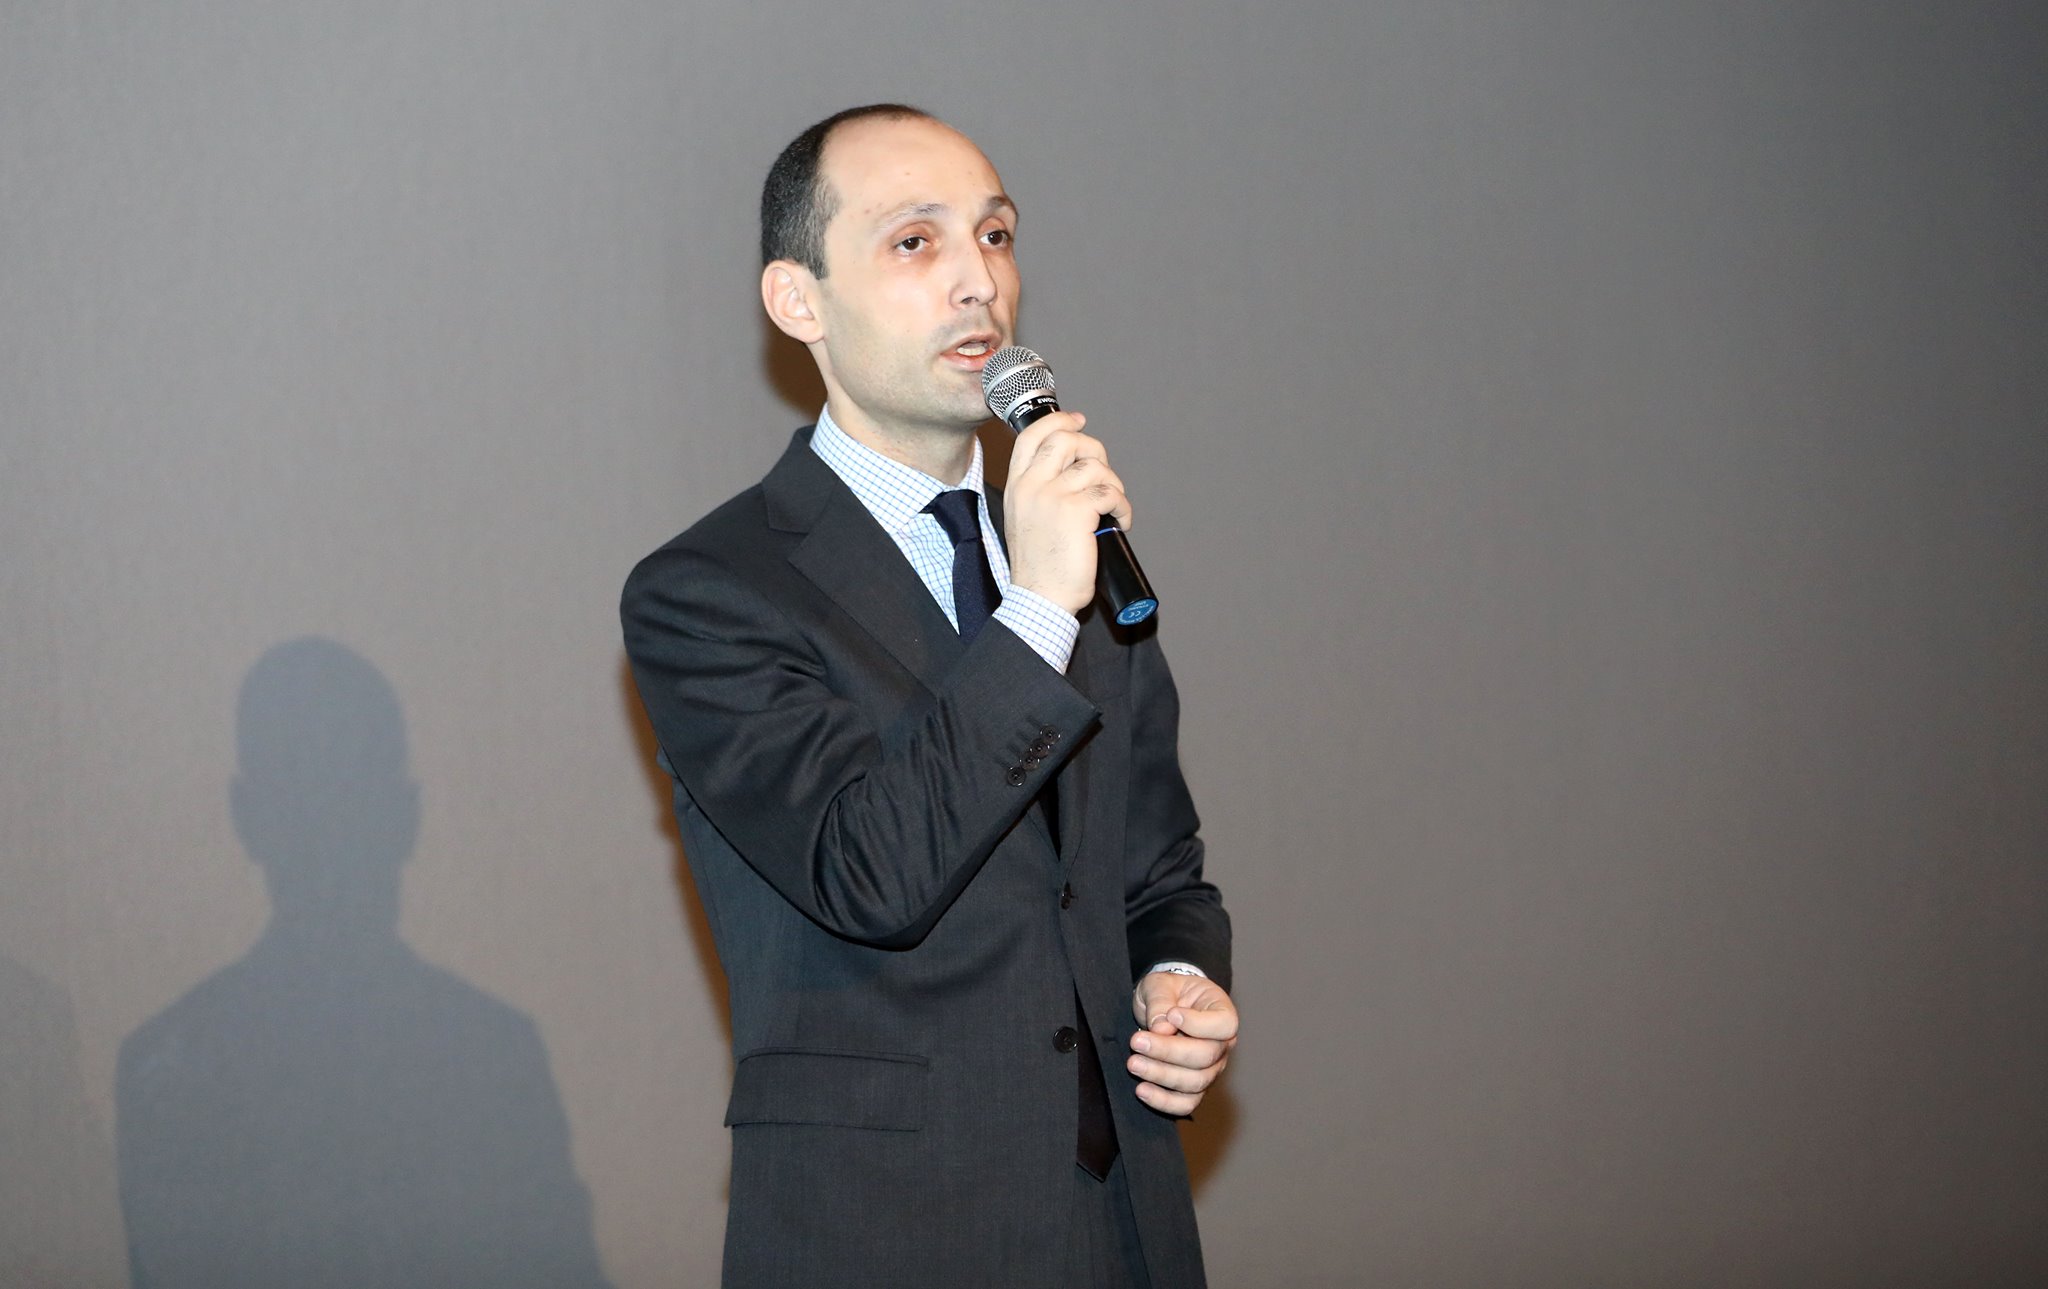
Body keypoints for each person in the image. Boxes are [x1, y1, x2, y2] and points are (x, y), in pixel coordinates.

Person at [621, 103, 1237, 1289]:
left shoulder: (1072, 553)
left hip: (1122, 1229)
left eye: (994, 235)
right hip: (886, 1227)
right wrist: (1036, 607)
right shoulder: (711, 589)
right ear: (797, 300)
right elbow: (868, 871)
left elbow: (1155, 871)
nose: (977, 281)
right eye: (915, 241)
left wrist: (1180, 974)